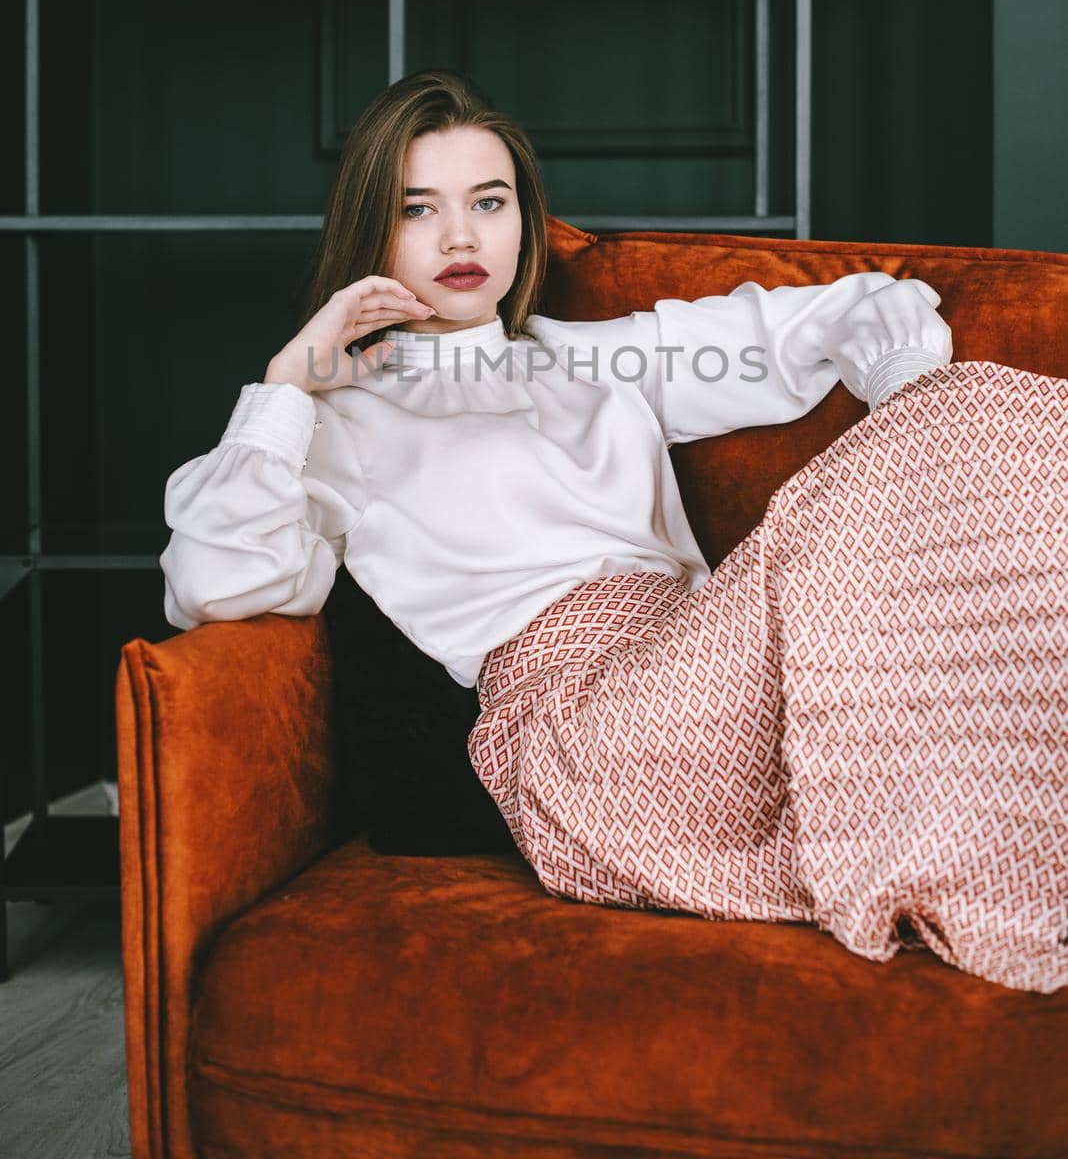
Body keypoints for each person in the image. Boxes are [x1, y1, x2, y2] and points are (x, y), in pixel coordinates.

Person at [160, 69, 1068, 995]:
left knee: (959, 412)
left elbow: (862, 307)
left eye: (490, 201)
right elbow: (214, 581)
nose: (464, 236)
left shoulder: (598, 358)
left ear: (525, 217)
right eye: (418, 208)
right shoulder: (330, 424)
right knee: (894, 463)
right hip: (589, 740)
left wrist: (918, 431)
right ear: (371, 229)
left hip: (716, 678)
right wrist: (287, 382)